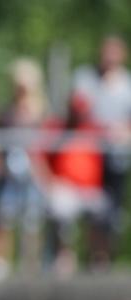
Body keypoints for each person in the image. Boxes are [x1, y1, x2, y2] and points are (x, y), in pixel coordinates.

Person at [33, 92, 108, 276]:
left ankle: (98, 258)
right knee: (62, 208)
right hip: (64, 188)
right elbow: (38, 155)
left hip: (90, 190)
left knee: (105, 211)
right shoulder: (57, 129)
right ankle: (65, 256)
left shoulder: (92, 129)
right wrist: (49, 182)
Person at [73, 35, 131, 266]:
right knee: (90, 209)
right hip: (89, 157)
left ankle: (106, 257)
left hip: (116, 158)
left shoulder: (127, 84)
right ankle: (89, 254)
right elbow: (77, 110)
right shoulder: (86, 78)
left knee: (113, 213)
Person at [0, 58, 49, 273]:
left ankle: (30, 264)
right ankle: (2, 262)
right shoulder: (8, 110)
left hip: (34, 172)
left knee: (32, 220)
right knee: (5, 216)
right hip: (10, 172)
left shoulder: (42, 110)